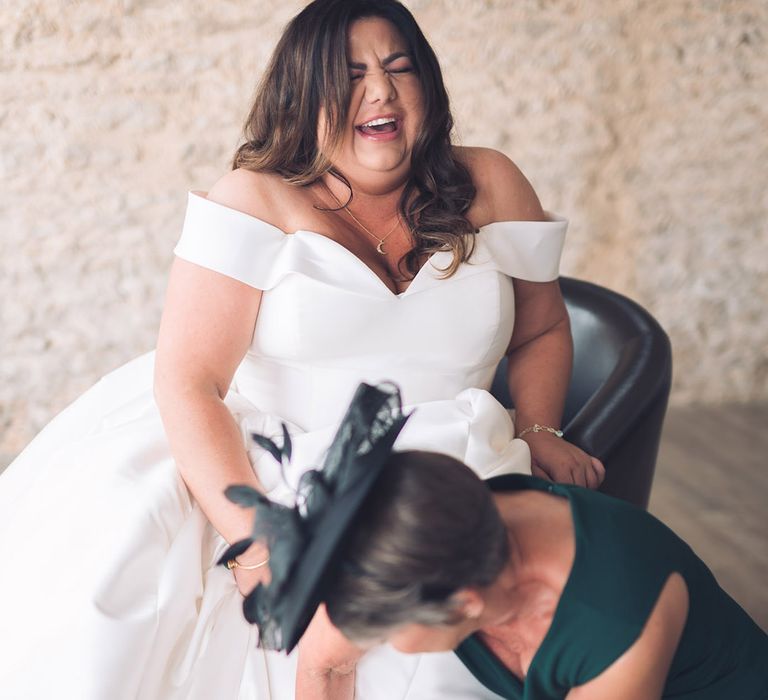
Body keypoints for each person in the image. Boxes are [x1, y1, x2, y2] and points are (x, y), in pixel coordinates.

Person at [0, 0, 602, 697]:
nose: (379, 90)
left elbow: (541, 330)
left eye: (399, 67)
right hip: (272, 463)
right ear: (302, 94)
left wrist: (538, 426)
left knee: (446, 655)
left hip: (453, 464)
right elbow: (189, 382)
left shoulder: (490, 181)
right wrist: (252, 533)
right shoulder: (253, 199)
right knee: (125, 611)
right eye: (350, 75)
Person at [235, 382, 768, 700]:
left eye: (394, 633)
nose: (387, 646)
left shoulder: (618, 623)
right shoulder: (410, 538)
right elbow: (325, 661)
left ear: (465, 602)